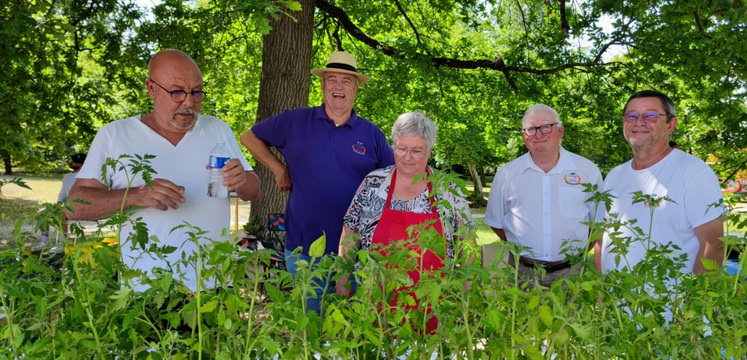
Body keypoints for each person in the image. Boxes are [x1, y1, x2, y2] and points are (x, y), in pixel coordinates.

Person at [67, 49, 261, 291]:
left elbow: (253, 191)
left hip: (214, 283)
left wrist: (241, 179)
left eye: (197, 92)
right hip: (147, 288)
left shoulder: (217, 129)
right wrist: (135, 195)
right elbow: (74, 206)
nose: (189, 102)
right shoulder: (115, 135)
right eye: (177, 92)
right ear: (151, 88)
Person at [240, 51, 394, 313]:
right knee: (311, 329)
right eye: (332, 79)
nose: (338, 86)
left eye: (346, 81)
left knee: (351, 328)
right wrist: (278, 168)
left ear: (356, 89)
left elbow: (392, 179)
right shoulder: (295, 121)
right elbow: (249, 137)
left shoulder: (371, 133)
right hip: (304, 248)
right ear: (322, 86)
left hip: (356, 252)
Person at [336, 111, 475, 332]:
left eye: (416, 150)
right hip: (375, 299)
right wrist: (342, 285)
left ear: (430, 151)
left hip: (432, 302)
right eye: (401, 148)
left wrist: (467, 297)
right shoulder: (374, 183)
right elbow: (350, 235)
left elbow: (468, 247)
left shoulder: (447, 190)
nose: (407, 156)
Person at [595, 90, 724, 274]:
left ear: (671, 124)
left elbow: (713, 246)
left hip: (671, 301)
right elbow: (603, 238)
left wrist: (692, 300)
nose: (639, 122)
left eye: (650, 115)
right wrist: (602, 294)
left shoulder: (693, 172)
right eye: (631, 115)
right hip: (615, 300)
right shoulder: (615, 176)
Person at [484, 104, 603, 288]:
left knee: (571, 317)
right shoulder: (507, 174)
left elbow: (597, 223)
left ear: (560, 130)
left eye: (546, 127)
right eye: (531, 129)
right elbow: (496, 222)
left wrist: (577, 255)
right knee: (520, 317)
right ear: (524, 136)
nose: (539, 134)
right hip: (521, 273)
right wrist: (521, 252)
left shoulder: (587, 170)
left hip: (572, 274)